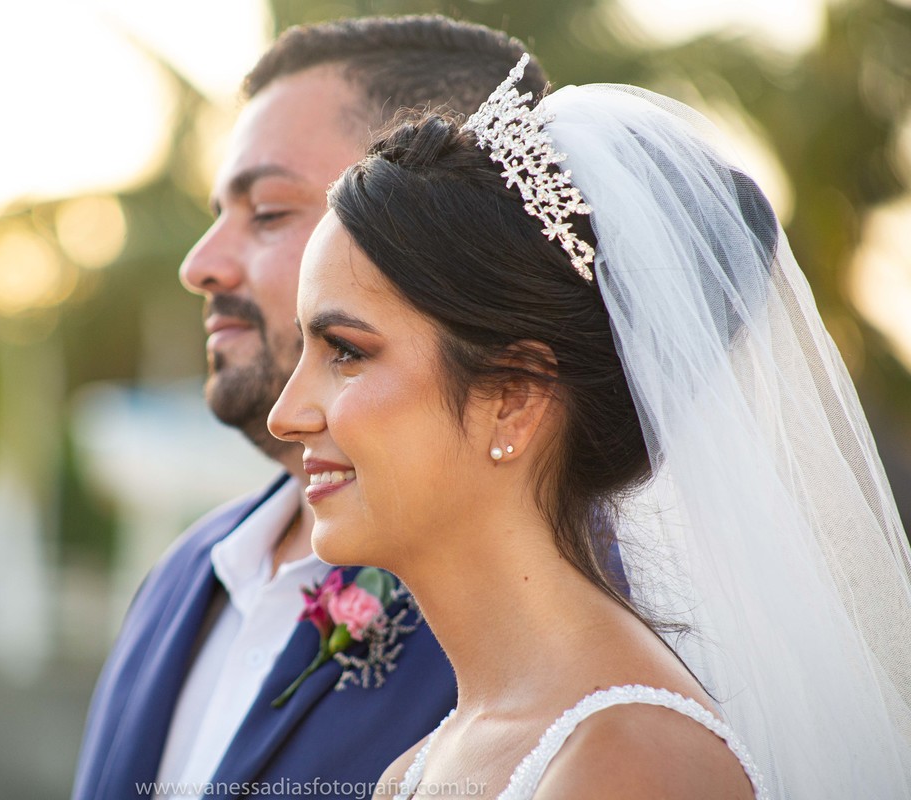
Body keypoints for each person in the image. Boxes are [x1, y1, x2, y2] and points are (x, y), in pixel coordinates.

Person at [268, 55, 911, 799]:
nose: (288, 414)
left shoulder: (633, 767)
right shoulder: (415, 771)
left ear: (514, 396)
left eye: (346, 352)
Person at [71, 17, 548, 800]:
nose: (200, 264)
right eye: (217, 213)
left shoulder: (535, 649)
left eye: (268, 213)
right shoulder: (184, 573)